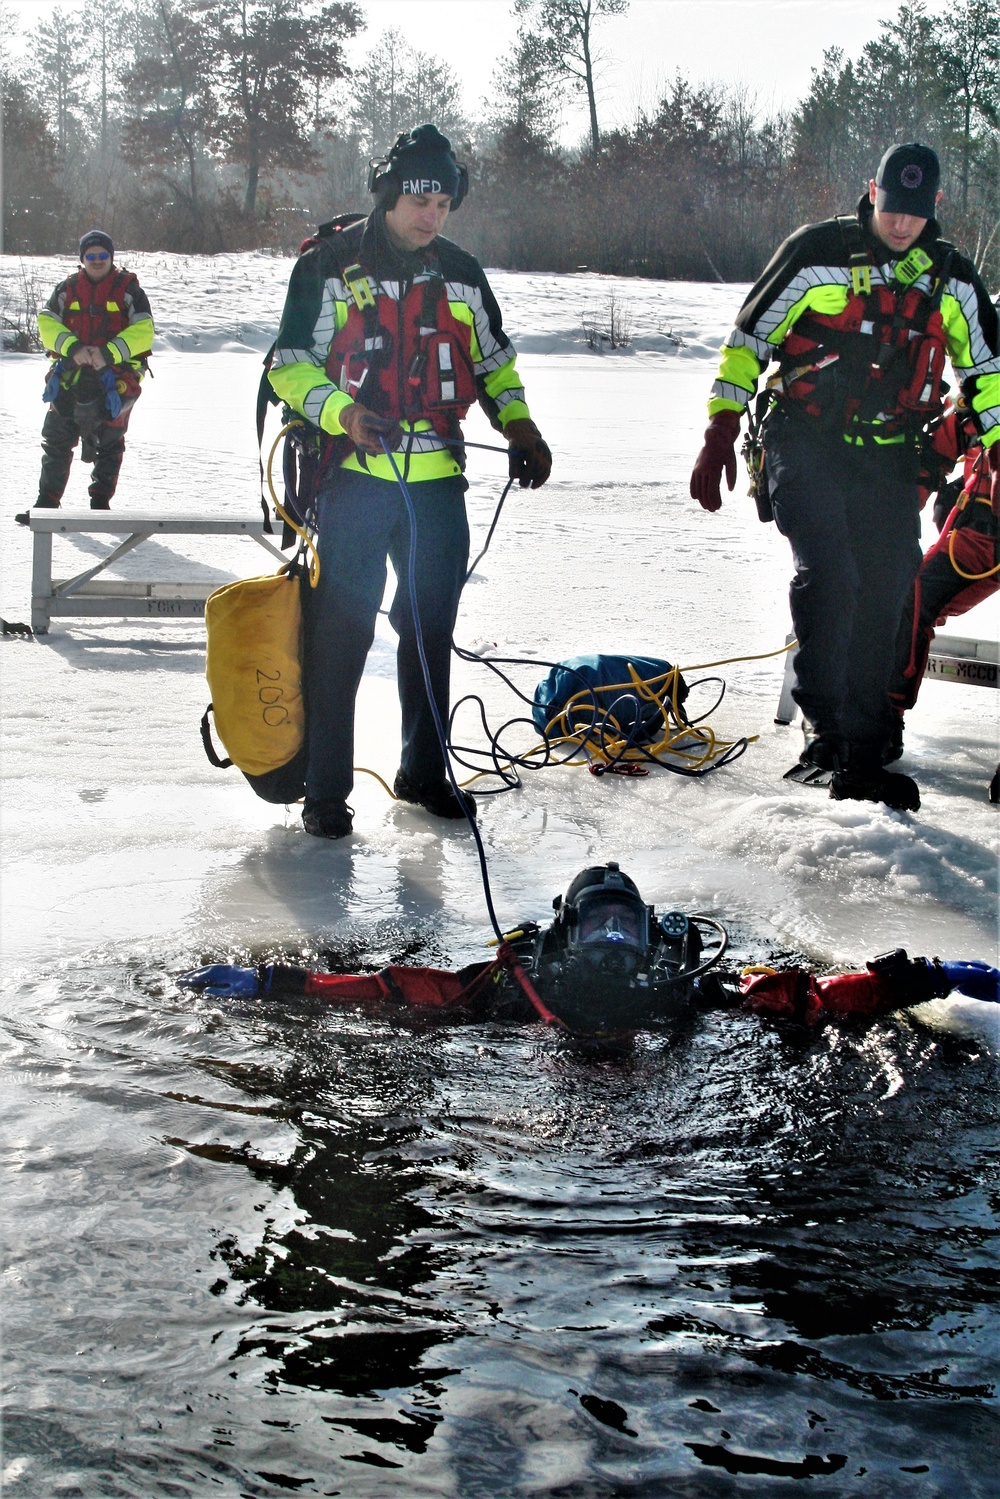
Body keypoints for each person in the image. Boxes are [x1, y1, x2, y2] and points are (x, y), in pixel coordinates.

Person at [690, 143, 1000, 812]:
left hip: (887, 450)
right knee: (830, 569)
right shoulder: (817, 252)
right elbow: (748, 341)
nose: (899, 224)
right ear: (872, 193)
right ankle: (824, 728)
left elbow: (986, 373)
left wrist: (998, 443)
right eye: (891, 209)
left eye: (914, 214)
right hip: (805, 439)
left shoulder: (952, 280)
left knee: (891, 580)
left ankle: (866, 740)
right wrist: (720, 428)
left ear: (933, 210)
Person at [268, 124, 552, 840]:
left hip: (436, 487)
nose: (432, 213)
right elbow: (288, 363)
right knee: (342, 634)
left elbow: (495, 366)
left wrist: (521, 427)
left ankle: (423, 772)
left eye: (444, 202)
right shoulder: (328, 267)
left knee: (430, 631)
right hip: (354, 485)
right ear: (390, 192)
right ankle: (325, 791)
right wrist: (343, 412)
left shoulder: (461, 272)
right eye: (420, 197)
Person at [178, 860, 1000, 1034]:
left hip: (552, 1099)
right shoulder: (681, 987)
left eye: (619, 926)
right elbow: (809, 993)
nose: (610, 940)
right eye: (602, 924)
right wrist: (924, 976)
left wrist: (278, 984)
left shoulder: (521, 981)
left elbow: (401, 988)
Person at [33, 232, 154, 511]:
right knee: (57, 435)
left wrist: (108, 353)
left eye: (102, 256)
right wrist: (74, 348)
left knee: (110, 439)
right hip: (72, 371)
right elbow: (46, 324)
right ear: (82, 259)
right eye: (91, 256)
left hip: (116, 374)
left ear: (111, 257)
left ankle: (100, 502)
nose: (97, 261)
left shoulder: (129, 290)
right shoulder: (66, 289)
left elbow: (145, 331)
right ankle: (46, 504)